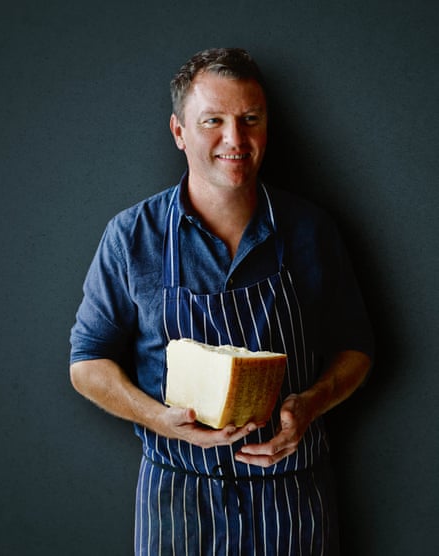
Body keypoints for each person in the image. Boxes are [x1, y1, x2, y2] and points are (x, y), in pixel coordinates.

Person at [70, 47, 374, 555]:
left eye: (249, 119)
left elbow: (356, 348)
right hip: (178, 497)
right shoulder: (131, 236)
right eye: (213, 120)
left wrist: (312, 403)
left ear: (266, 127)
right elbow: (87, 362)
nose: (235, 139)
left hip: (292, 494)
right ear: (179, 132)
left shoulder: (310, 229)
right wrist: (156, 418)